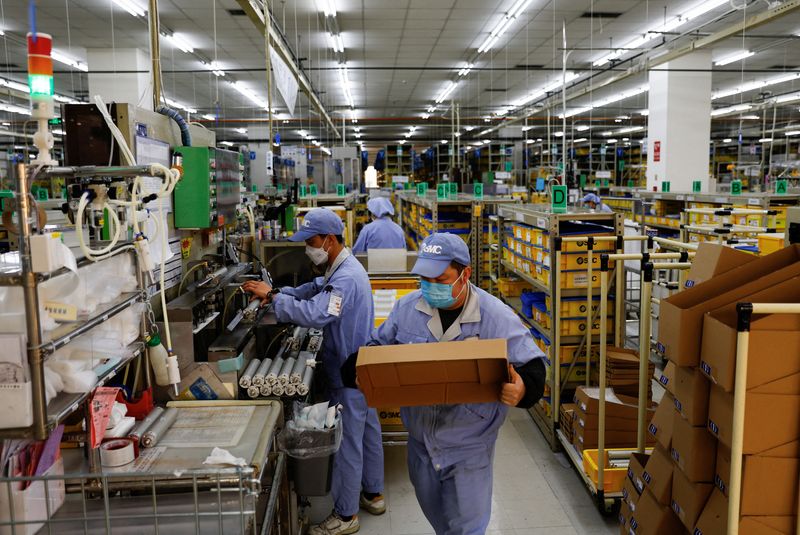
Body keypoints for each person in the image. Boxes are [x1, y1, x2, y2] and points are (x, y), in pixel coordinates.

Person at [346, 233, 546, 535]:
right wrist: (358, 369)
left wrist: (522, 390)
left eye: (440, 279)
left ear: (464, 274)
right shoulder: (408, 308)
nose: (430, 287)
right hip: (420, 445)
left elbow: (533, 366)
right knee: (441, 523)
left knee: (467, 528)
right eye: (424, 278)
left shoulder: (494, 316)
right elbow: (377, 345)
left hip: (470, 446)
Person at [242, 208, 384, 535]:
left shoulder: (346, 278)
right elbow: (314, 290)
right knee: (369, 430)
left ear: (330, 240)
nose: (308, 248)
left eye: (311, 241)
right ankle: (373, 493)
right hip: (362, 364)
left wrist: (275, 300)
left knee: (348, 441)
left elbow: (316, 314)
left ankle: (346, 516)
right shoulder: (341, 268)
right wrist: (277, 292)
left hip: (349, 370)